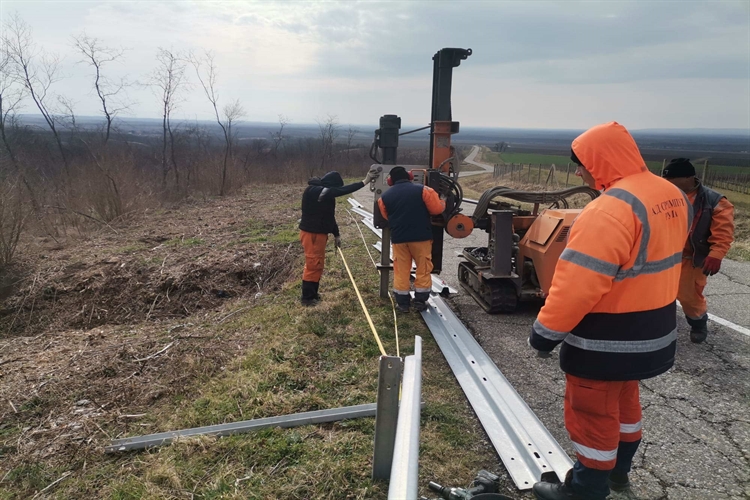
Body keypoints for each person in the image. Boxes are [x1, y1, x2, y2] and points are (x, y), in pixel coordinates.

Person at [528, 122, 691, 500]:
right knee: (625, 408)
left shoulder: (608, 211)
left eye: (581, 163)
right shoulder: (671, 194)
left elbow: (576, 287)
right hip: (654, 333)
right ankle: (619, 475)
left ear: (599, 160)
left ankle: (586, 491)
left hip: (605, 343)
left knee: (593, 418)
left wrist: (544, 335)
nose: (579, 171)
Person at [662, 158, 735, 343]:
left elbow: (723, 233)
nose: (667, 184)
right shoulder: (663, 194)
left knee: (689, 297)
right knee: (656, 292)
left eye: (672, 180)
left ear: (689, 177)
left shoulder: (715, 202)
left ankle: (698, 324)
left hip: (689, 258)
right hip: (662, 255)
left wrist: (716, 254)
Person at [299, 168, 380, 306]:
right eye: (335, 189)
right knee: (313, 265)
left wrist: (336, 234)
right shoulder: (313, 190)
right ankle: (307, 298)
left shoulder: (325, 195)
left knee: (317, 265)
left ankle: (313, 294)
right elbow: (338, 192)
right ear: (331, 185)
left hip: (319, 234)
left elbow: (330, 216)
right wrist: (365, 182)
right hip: (312, 235)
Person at [377, 166, 445, 313]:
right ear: (409, 177)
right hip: (421, 238)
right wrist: (444, 202)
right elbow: (436, 210)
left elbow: (386, 217)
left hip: (399, 239)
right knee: (423, 267)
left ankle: (403, 304)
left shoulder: (384, 198)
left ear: (390, 181)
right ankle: (420, 301)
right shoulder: (425, 191)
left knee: (401, 270)